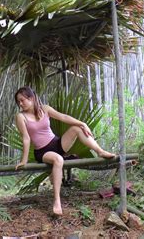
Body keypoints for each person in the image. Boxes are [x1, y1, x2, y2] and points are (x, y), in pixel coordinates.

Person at [14, 86, 114, 215]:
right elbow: (26, 139)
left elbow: (64, 117)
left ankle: (100, 151)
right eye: (18, 102)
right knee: (58, 159)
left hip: (56, 143)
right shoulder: (20, 117)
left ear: (31, 98)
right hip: (42, 151)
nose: (20, 104)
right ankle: (57, 201)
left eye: (22, 100)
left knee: (76, 129)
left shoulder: (45, 109)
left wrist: (82, 123)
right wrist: (24, 160)